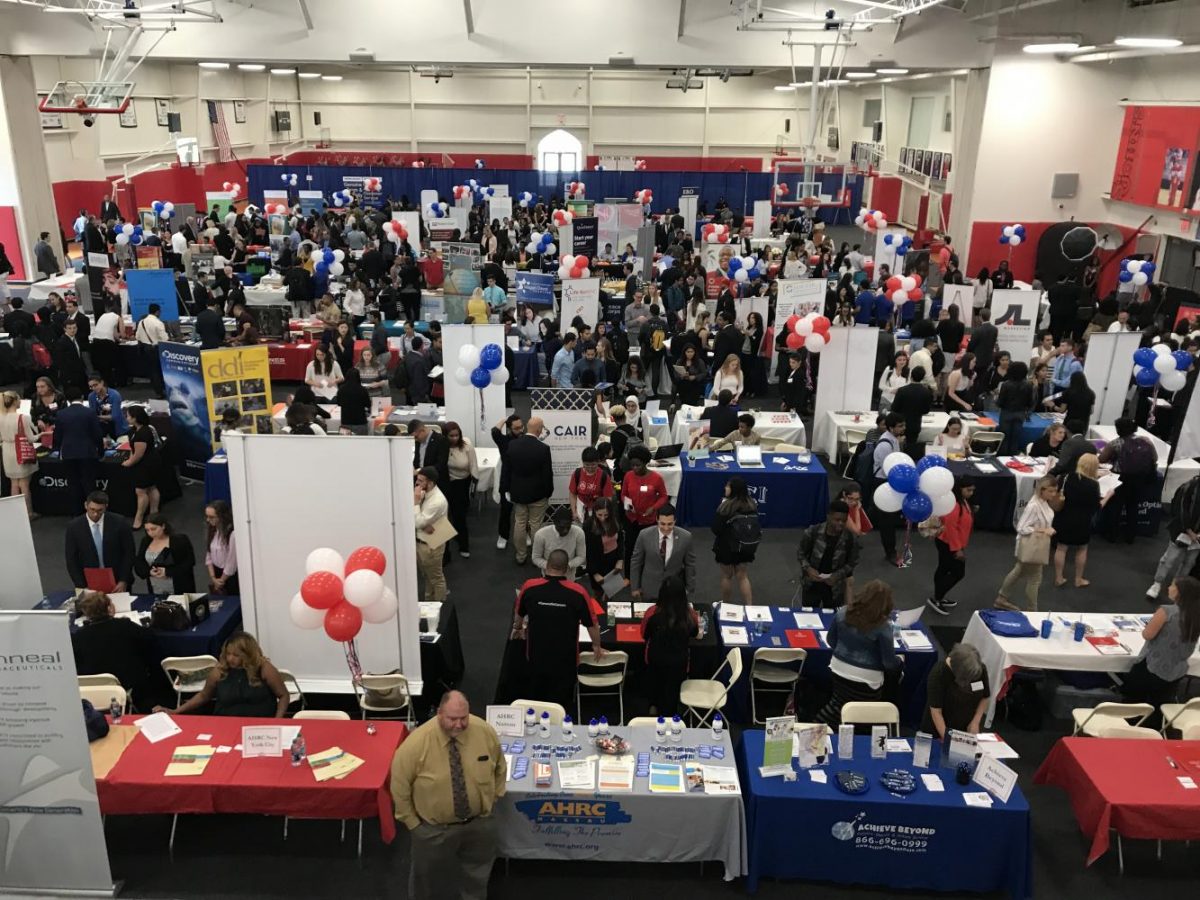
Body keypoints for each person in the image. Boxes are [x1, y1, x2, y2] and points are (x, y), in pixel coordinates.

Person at [390, 690, 506, 900]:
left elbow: (500, 767)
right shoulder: (415, 745)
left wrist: (493, 798)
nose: (459, 725)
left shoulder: (484, 732)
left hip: (478, 825)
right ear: (439, 713)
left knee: (477, 876)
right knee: (426, 881)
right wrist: (414, 825)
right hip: (433, 830)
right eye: (453, 719)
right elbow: (399, 788)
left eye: (464, 718)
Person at [514, 548, 603, 708]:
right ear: (567, 569)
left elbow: (519, 613)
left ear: (546, 565)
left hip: (536, 655)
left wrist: (518, 627)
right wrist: (596, 645)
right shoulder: (578, 592)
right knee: (562, 703)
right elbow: (592, 624)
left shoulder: (529, 587)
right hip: (565, 659)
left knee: (536, 700)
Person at [816, 580, 900, 726]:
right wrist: (900, 662)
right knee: (865, 712)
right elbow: (889, 663)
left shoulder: (843, 613)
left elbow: (831, 640)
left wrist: (843, 653)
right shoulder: (882, 626)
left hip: (838, 668)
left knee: (839, 702)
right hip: (867, 679)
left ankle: (823, 723)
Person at [72, 590, 171, 712]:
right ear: (109, 608)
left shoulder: (79, 636)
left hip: (96, 689)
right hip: (127, 683)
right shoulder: (124, 626)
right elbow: (149, 637)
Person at [1121, 577, 1200, 725]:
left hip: (1152, 666)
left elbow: (1147, 634)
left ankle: (1129, 726)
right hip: (1175, 670)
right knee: (1160, 704)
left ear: (1180, 592)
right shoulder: (1195, 614)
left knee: (1134, 701)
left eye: (1172, 585)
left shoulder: (1166, 611)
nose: (1169, 588)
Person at [154, 633, 289, 718]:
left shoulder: (264, 668)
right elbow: (203, 696)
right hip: (227, 722)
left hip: (260, 723)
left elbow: (283, 695)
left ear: (248, 655)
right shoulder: (220, 671)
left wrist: (277, 721)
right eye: (228, 653)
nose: (230, 659)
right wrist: (176, 711)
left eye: (236, 655)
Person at [993, 475, 1058, 612]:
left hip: (1035, 546)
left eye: (1055, 491)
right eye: (1051, 491)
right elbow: (1021, 527)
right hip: (1032, 547)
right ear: (1042, 490)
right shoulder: (1034, 506)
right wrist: (1043, 530)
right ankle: (1032, 609)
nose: (1053, 494)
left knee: (1018, 571)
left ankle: (1002, 598)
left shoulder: (1043, 502)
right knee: (1035, 578)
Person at [640, 575, 701, 718]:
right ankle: (671, 715)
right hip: (678, 663)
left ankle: (653, 706)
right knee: (672, 689)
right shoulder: (689, 615)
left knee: (655, 683)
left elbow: (644, 634)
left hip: (655, 660)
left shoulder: (652, 613)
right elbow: (695, 633)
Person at [1097, 416, 1158, 542]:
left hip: (1120, 479)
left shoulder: (1115, 443)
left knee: (1115, 506)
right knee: (1133, 506)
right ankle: (1130, 536)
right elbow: (1155, 458)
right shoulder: (1146, 441)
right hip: (1140, 479)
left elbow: (1101, 459)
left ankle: (1112, 535)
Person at [506, 416, 554, 565]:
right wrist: (548, 492)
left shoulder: (512, 445)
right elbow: (547, 474)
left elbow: (508, 470)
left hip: (518, 493)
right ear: (539, 430)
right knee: (536, 525)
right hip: (537, 494)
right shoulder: (543, 449)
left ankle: (520, 555)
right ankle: (536, 556)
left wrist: (508, 489)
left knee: (519, 523)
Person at [1054, 452, 1107, 587]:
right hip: (1082, 522)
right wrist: (1109, 496)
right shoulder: (1093, 485)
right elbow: (1097, 506)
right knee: (1082, 549)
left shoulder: (1065, 478)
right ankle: (1078, 579)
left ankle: (1059, 577)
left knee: (1061, 548)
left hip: (1064, 517)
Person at [65, 491, 135, 592]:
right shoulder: (74, 527)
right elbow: (71, 559)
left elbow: (129, 552)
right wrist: (81, 586)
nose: (95, 514)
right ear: (86, 505)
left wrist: (123, 580)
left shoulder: (119, 522)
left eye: (100, 510)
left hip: (117, 580)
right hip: (88, 582)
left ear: (106, 507)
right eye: (92, 509)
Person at [797, 500, 860, 609]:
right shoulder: (813, 532)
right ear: (828, 516)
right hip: (812, 584)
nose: (840, 523)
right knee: (808, 615)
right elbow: (801, 553)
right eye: (837, 520)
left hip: (834, 588)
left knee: (832, 618)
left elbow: (852, 562)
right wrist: (808, 569)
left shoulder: (850, 539)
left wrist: (837, 575)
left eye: (843, 521)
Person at [927, 477, 976, 615]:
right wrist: (957, 549)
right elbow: (951, 527)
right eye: (968, 490)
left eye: (972, 490)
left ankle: (939, 597)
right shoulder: (955, 505)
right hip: (949, 543)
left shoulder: (961, 501)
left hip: (949, 542)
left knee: (943, 568)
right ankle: (937, 597)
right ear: (960, 489)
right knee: (958, 572)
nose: (971, 493)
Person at [921, 643, 990, 739]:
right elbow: (936, 712)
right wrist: (947, 740)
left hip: (967, 729)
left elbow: (985, 697)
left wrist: (975, 722)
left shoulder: (977, 669)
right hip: (939, 730)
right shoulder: (939, 674)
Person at [630, 503, 696, 602]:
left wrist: (689, 588)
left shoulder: (686, 537)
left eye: (670, 524)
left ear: (675, 521)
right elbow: (636, 562)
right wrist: (635, 587)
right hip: (649, 589)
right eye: (662, 524)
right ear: (657, 520)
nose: (666, 528)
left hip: (673, 590)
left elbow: (690, 564)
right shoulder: (644, 535)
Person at [53, 385, 103, 513]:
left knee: (73, 484)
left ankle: (76, 513)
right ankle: (92, 512)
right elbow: (97, 434)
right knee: (89, 484)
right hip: (87, 453)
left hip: (68, 453)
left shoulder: (61, 414)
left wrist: (57, 450)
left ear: (67, 400)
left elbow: (57, 436)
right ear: (82, 397)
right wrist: (101, 451)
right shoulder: (90, 412)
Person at [710, 475, 759, 602]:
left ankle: (726, 605)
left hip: (726, 547)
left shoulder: (726, 507)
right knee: (743, 576)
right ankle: (749, 606)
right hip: (745, 546)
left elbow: (716, 528)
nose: (725, 488)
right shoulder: (751, 504)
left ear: (733, 489)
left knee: (727, 576)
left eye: (727, 486)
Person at [621, 445, 670, 569]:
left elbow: (664, 496)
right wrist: (627, 504)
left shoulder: (656, 478)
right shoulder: (628, 476)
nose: (635, 468)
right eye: (632, 465)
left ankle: (647, 573)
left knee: (648, 548)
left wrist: (653, 507)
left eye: (638, 465)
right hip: (631, 519)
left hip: (648, 520)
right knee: (630, 547)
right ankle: (628, 574)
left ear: (645, 463)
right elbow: (623, 494)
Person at [871, 413, 906, 566]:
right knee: (887, 521)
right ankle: (890, 552)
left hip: (890, 482)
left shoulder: (894, 440)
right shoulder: (885, 444)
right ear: (891, 427)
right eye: (900, 426)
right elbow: (887, 469)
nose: (903, 428)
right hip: (883, 483)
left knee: (886, 517)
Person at [133, 513, 196, 595]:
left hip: (178, 587)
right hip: (155, 586)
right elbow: (139, 561)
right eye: (147, 530)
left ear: (163, 526)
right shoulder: (146, 541)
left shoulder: (179, 540)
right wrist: (149, 572)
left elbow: (189, 562)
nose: (150, 533)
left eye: (153, 529)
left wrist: (168, 572)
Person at [121, 406, 162, 529]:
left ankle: (139, 518)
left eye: (128, 416)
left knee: (141, 491)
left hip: (147, 464)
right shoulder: (134, 430)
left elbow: (138, 454)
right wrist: (130, 458)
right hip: (148, 462)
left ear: (135, 418)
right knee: (151, 487)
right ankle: (154, 514)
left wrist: (129, 463)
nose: (126, 418)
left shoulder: (143, 432)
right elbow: (133, 450)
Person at [442, 422, 479, 560]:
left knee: (459, 517)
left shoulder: (467, 447)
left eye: (457, 435)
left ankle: (464, 545)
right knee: (444, 516)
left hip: (462, 484)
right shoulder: (442, 447)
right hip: (445, 483)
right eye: (451, 436)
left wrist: (473, 489)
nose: (454, 438)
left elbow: (474, 467)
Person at [0, 390, 39, 518]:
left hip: (7, 451)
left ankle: (17, 514)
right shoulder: (23, 418)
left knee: (14, 483)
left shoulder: (1, 418)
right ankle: (29, 513)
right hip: (20, 451)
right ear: (16, 401)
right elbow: (31, 438)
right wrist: (43, 434)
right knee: (24, 484)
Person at [414, 466, 449, 602]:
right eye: (417, 479)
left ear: (431, 483)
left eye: (421, 481)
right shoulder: (424, 493)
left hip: (431, 545)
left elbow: (418, 523)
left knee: (436, 578)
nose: (417, 484)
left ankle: (439, 606)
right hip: (422, 541)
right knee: (428, 577)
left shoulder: (436, 501)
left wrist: (415, 503)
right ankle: (429, 602)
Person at [584, 497, 625, 598]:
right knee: (598, 593)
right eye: (599, 515)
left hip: (613, 562)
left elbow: (620, 542)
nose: (602, 518)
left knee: (611, 592)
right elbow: (588, 552)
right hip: (597, 563)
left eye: (606, 515)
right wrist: (594, 573)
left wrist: (620, 560)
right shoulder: (588, 525)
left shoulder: (615, 521)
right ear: (595, 512)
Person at [891, 367, 933, 456]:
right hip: (915, 424)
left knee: (896, 448)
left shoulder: (902, 390)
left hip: (900, 423)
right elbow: (926, 410)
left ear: (911, 376)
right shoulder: (926, 392)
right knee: (910, 449)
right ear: (922, 377)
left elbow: (894, 408)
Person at [531, 507, 587, 576]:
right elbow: (536, 558)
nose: (565, 530)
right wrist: (553, 568)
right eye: (562, 527)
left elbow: (581, 556)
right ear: (554, 523)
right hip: (548, 575)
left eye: (568, 527)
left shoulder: (578, 532)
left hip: (569, 576)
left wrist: (569, 565)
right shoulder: (541, 534)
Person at [994, 362, 1035, 455]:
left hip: (1006, 413)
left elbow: (1000, 403)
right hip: (1020, 414)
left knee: (1005, 437)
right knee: (1015, 438)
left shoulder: (1006, 384)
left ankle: (1002, 457)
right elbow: (1030, 402)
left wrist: (995, 399)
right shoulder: (1028, 385)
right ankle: (1012, 456)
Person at [203, 500, 239, 595]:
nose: (208, 520)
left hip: (229, 577)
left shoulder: (232, 534)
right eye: (207, 516)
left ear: (222, 517)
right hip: (217, 574)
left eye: (211, 517)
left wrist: (221, 581)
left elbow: (232, 562)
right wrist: (213, 577)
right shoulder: (212, 530)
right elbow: (208, 555)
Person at [568, 446, 613, 521]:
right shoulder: (577, 474)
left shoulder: (603, 476)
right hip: (581, 508)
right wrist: (574, 511)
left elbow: (608, 498)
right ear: (583, 462)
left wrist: (603, 514)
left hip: (598, 510)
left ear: (598, 462)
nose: (590, 468)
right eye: (587, 465)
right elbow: (572, 494)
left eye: (593, 465)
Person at [134, 303, 169, 397]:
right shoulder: (158, 323)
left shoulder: (141, 322)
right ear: (157, 312)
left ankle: (158, 392)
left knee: (152, 371)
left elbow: (137, 336)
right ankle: (164, 390)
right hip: (156, 349)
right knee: (160, 371)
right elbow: (165, 339)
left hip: (146, 349)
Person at [409, 418, 450, 488]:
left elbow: (441, 465)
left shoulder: (441, 440)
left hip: (436, 482)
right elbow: (417, 460)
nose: (415, 439)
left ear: (422, 431)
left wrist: (420, 471)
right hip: (421, 481)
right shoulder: (418, 441)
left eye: (416, 437)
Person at [86, 373, 129, 439]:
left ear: (102, 382)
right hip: (102, 429)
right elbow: (93, 413)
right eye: (91, 387)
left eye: (95, 385)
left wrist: (97, 417)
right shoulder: (91, 396)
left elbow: (114, 416)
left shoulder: (114, 395)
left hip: (118, 429)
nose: (93, 388)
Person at [333, 368, 371, 435]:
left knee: (345, 444)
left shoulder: (341, 389)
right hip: (360, 422)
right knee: (362, 444)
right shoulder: (362, 390)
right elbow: (368, 404)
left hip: (345, 422)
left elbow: (339, 403)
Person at [54, 320, 88, 392]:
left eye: (74, 328)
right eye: (69, 328)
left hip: (79, 373)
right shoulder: (61, 342)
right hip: (69, 376)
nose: (72, 330)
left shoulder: (77, 338)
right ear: (65, 329)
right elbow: (61, 361)